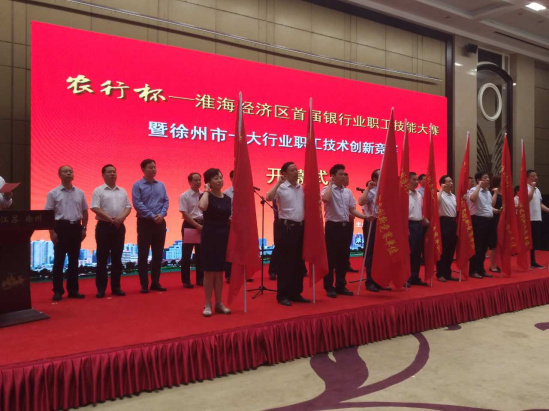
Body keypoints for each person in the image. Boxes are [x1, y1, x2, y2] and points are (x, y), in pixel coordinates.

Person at [266, 161, 309, 306]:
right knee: (285, 263)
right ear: (284, 173)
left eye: (296, 170)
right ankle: (283, 295)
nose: (296, 172)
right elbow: (268, 197)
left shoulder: (301, 188)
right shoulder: (281, 187)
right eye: (292, 170)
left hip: (300, 228)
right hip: (286, 228)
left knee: (298, 263)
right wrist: (278, 183)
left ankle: (295, 293)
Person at [44, 165, 88, 301]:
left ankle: (73, 290)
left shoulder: (80, 192)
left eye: (70, 171)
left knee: (74, 261)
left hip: (76, 228)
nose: (69, 173)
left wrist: (84, 228)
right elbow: (48, 214)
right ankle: (57, 291)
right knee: (59, 261)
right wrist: (52, 232)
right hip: (60, 228)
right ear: (59, 175)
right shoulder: (53, 193)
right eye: (65, 171)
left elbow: (85, 212)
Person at [322, 164, 366, 298]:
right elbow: (326, 199)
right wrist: (330, 184)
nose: (343, 176)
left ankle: (341, 285)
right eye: (340, 174)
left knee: (343, 257)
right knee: (331, 258)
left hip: (345, 227)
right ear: (333, 176)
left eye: (344, 174)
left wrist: (366, 217)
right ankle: (329, 286)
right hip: (332, 227)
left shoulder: (348, 192)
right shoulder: (326, 189)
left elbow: (352, 210)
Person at [90, 164, 131, 298]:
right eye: (109, 172)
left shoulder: (122, 191)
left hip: (119, 226)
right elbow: (95, 207)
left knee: (117, 258)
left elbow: (128, 207)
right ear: (103, 175)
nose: (112, 174)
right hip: (104, 226)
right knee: (102, 258)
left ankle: (116, 287)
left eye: (114, 171)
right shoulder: (98, 191)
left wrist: (121, 218)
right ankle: (101, 289)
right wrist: (110, 219)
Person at [198, 168, 232, 316]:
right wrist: (206, 191)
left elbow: (226, 217)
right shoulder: (206, 196)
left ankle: (219, 303)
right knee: (209, 271)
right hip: (209, 235)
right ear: (209, 182)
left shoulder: (227, 198)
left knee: (219, 271)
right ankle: (207, 303)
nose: (219, 180)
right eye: (215, 178)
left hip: (223, 235)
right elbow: (202, 207)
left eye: (220, 177)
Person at [132, 159, 169, 293]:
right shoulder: (137, 185)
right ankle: (144, 284)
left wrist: (161, 215)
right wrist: (153, 216)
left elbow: (166, 201)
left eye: (154, 167)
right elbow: (138, 204)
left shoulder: (161, 185)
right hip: (145, 223)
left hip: (160, 222)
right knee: (143, 254)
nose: (153, 169)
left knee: (158, 254)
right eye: (150, 167)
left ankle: (155, 282)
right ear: (143, 169)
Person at [467, 171, 496, 279]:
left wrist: (497, 210)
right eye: (485, 178)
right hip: (478, 221)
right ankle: (473, 270)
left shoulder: (488, 192)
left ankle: (481, 269)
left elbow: (489, 206)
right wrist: (478, 186)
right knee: (477, 246)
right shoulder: (473, 190)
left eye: (488, 177)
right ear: (478, 180)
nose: (488, 179)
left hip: (488, 221)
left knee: (484, 247)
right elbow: (473, 199)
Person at [358, 169, 383, 292]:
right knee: (371, 252)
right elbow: (361, 202)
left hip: (384, 224)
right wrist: (368, 188)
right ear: (375, 180)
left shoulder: (387, 192)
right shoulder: (371, 192)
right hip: (372, 222)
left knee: (381, 253)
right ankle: (370, 281)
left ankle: (380, 280)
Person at [180, 172, 204, 288]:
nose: (198, 182)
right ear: (189, 182)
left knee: (201, 254)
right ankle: (186, 281)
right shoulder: (184, 196)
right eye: (195, 180)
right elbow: (184, 213)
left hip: (202, 225)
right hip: (190, 225)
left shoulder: (204, 195)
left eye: (199, 180)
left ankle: (200, 279)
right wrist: (196, 225)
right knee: (187, 254)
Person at [407, 172, 429, 286]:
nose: (416, 182)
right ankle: (406, 277)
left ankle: (415, 276)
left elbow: (419, 210)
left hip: (419, 225)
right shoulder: (404, 194)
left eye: (417, 180)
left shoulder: (419, 195)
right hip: (408, 225)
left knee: (417, 252)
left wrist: (424, 219)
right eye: (414, 180)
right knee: (409, 253)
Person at [436, 175, 458, 282]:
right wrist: (441, 189)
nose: (451, 183)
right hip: (443, 222)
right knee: (443, 249)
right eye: (449, 182)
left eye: (451, 181)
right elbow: (437, 202)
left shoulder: (453, 196)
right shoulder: (439, 194)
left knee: (450, 249)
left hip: (453, 222)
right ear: (443, 184)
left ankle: (448, 273)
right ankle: (440, 273)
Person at [527, 170, 549, 269]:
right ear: (527, 178)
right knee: (528, 241)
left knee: (534, 241)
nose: (535, 177)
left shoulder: (537, 190)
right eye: (532, 176)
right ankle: (527, 262)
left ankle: (533, 261)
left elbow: (540, 204)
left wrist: (548, 210)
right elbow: (528, 199)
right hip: (529, 218)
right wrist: (532, 188)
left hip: (537, 218)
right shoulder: (525, 188)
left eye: (536, 175)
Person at [344, 172, 358, 273]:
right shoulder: (330, 190)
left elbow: (353, 206)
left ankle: (346, 264)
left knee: (347, 244)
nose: (348, 180)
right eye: (346, 178)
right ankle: (335, 265)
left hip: (349, 222)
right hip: (340, 222)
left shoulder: (348, 192)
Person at [488, 176, 502, 273]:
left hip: (502, 219)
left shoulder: (504, 192)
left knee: (500, 243)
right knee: (493, 243)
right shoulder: (492, 192)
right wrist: (496, 193)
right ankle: (492, 265)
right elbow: (491, 205)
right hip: (494, 219)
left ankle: (499, 263)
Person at [223, 170, 234, 283]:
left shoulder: (246, 192)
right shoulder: (226, 193)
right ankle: (229, 275)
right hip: (230, 224)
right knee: (229, 250)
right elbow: (224, 211)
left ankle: (244, 274)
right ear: (231, 178)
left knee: (243, 249)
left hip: (243, 225)